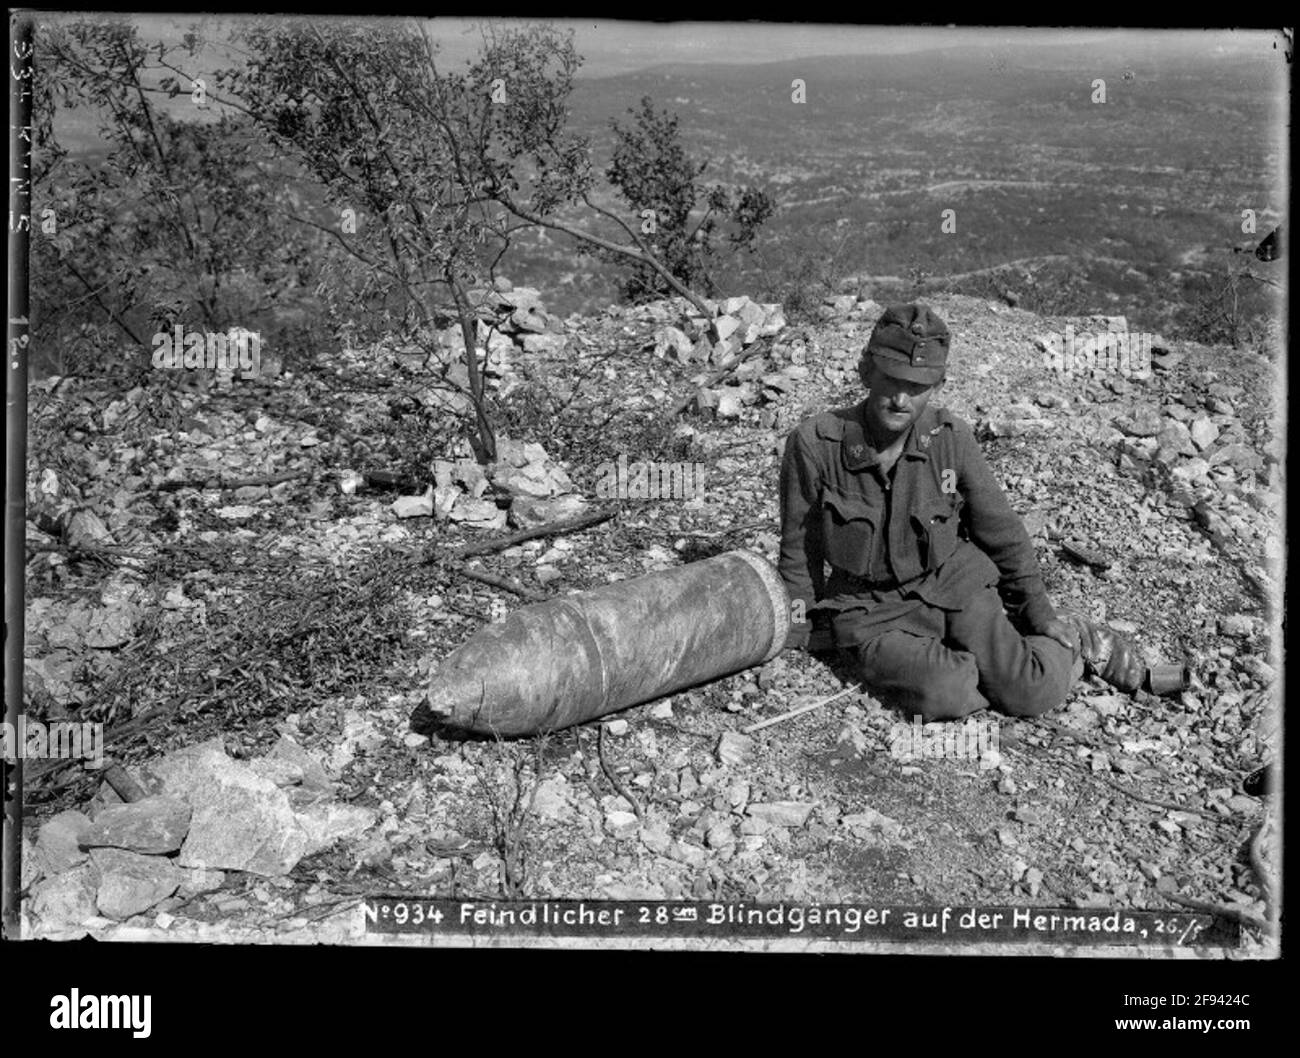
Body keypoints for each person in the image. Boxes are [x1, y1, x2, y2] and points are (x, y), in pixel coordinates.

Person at [778, 302, 1142, 721]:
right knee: (943, 695)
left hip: (955, 584)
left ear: (938, 384)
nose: (901, 399)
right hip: (871, 611)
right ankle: (987, 667)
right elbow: (799, 546)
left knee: (1028, 692)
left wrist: (1039, 613)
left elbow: (1000, 532)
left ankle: (1078, 639)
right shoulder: (816, 444)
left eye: (917, 386)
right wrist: (798, 627)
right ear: (866, 371)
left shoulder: (950, 440)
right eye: (891, 380)